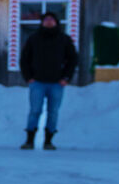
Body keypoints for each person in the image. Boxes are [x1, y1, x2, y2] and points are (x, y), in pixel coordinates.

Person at [19, 11, 78, 150]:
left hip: (57, 83)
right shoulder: (34, 38)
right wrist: (28, 77)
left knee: (53, 112)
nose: (49, 21)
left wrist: (66, 77)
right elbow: (24, 59)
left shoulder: (64, 39)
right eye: (46, 19)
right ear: (42, 22)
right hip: (37, 82)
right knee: (35, 110)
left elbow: (73, 59)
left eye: (52, 19)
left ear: (56, 22)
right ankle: (29, 140)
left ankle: (48, 141)